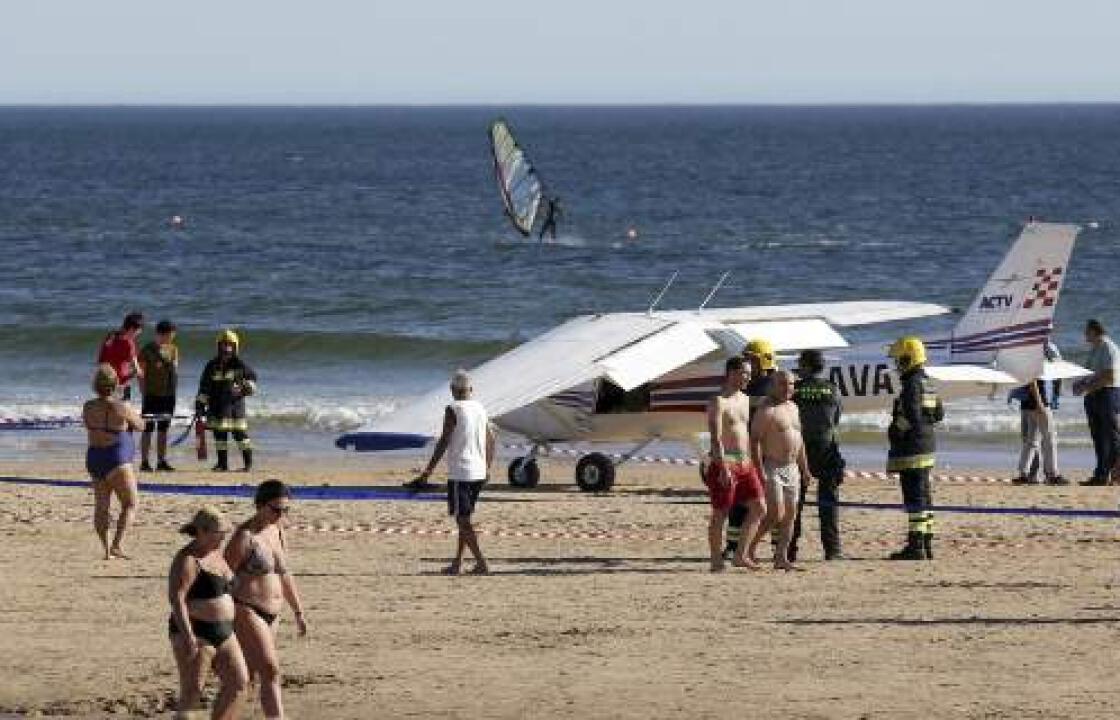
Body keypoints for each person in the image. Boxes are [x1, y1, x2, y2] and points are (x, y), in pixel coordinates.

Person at [225, 480, 308, 720]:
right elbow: (223, 576)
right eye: (276, 509)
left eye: (286, 510)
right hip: (246, 608)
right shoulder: (244, 537)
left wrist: (298, 612)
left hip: (273, 612)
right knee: (271, 669)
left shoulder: (278, 530)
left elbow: (284, 573)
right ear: (260, 506)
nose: (280, 515)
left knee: (248, 676)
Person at [412, 370, 496, 575]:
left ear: (451, 390)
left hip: (461, 472)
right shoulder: (480, 407)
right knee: (464, 518)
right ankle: (457, 563)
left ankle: (481, 562)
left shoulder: (453, 409)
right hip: (478, 471)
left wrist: (428, 471)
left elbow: (444, 440)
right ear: (471, 389)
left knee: (462, 520)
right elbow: (492, 439)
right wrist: (487, 467)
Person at [168, 506, 249, 720]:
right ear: (202, 531)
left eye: (225, 535)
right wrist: (189, 637)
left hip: (225, 632)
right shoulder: (187, 559)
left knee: (238, 683)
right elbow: (177, 599)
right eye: (219, 535)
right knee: (193, 691)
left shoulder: (216, 554)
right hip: (197, 631)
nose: (222, 539)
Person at [704, 357, 766, 572]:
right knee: (720, 513)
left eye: (749, 373)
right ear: (731, 373)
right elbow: (716, 438)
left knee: (759, 508)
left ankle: (740, 555)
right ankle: (715, 559)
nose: (748, 377)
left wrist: (754, 462)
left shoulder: (746, 399)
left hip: (745, 463)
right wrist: (722, 468)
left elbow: (744, 434)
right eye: (744, 373)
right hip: (725, 463)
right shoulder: (718, 402)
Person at [749, 370, 815, 570]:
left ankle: (781, 557)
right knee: (775, 513)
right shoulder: (766, 409)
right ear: (773, 385)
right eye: (782, 384)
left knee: (791, 514)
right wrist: (759, 470)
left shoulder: (793, 407)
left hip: (792, 466)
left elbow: (799, 441)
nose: (788, 388)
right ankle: (748, 548)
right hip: (772, 465)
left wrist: (805, 469)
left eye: (791, 384)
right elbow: (755, 441)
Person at [885, 336, 944, 560]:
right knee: (924, 496)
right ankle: (926, 542)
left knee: (914, 498)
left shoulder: (911, 384)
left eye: (899, 360)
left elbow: (911, 415)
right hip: (928, 446)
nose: (897, 365)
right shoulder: (928, 382)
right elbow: (939, 414)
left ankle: (916, 546)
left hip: (912, 451)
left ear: (908, 359)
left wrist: (896, 430)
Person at [723, 338, 779, 559]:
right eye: (746, 360)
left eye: (752, 361)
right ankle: (734, 546)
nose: (747, 366)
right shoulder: (746, 389)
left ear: (764, 361)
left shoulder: (773, 389)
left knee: (774, 503)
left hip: (767, 454)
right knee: (739, 502)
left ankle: (776, 546)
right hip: (745, 454)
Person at [82, 364, 144, 560]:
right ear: (116, 384)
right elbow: (141, 425)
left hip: (94, 457)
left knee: (101, 505)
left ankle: (107, 550)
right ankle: (117, 545)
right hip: (116, 459)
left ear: (95, 386)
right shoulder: (122, 407)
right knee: (130, 503)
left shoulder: (88, 406)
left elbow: (89, 425)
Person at [791, 349, 846, 561]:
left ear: (806, 366)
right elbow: (836, 418)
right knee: (828, 504)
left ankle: (790, 549)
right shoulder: (832, 389)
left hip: (800, 450)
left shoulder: (796, 390)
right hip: (827, 450)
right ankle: (833, 551)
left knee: (795, 504)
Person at [196, 329, 258, 472]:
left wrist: (245, 389)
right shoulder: (211, 365)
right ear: (219, 346)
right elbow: (204, 387)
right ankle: (222, 464)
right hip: (216, 407)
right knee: (219, 436)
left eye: (230, 345)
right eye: (223, 345)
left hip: (235, 407)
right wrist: (200, 405)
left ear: (235, 347)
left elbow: (253, 380)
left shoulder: (241, 366)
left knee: (241, 436)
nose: (226, 348)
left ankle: (248, 464)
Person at [1011, 342, 1066, 485]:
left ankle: (1023, 473)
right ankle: (1052, 474)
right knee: (1049, 438)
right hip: (1038, 402)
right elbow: (1032, 380)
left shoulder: (1026, 350)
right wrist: (1040, 403)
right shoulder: (1035, 353)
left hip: (1029, 403)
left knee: (1031, 440)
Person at [1073, 319, 1120, 486]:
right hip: (1094, 396)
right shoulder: (1095, 349)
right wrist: (1080, 384)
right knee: (1098, 437)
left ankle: (1116, 474)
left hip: (1107, 394)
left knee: (1111, 436)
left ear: (1094, 331)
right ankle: (1101, 475)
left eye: (1087, 331)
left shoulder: (1108, 348)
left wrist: (1088, 387)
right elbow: (1090, 374)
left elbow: (1110, 376)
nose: (1085, 335)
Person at [139, 319, 180, 472]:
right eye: (171, 334)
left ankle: (161, 461)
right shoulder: (147, 350)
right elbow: (141, 374)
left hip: (169, 395)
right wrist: (143, 392)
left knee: (163, 429)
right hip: (151, 394)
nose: (172, 337)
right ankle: (144, 462)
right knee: (148, 428)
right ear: (162, 334)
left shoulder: (174, 349)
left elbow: (176, 369)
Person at [97, 312, 144, 401]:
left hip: (105, 380)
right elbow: (137, 369)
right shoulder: (129, 343)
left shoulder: (111, 336)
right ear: (132, 329)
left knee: (108, 407)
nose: (139, 333)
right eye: (139, 330)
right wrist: (140, 376)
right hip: (121, 382)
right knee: (122, 408)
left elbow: (101, 360)